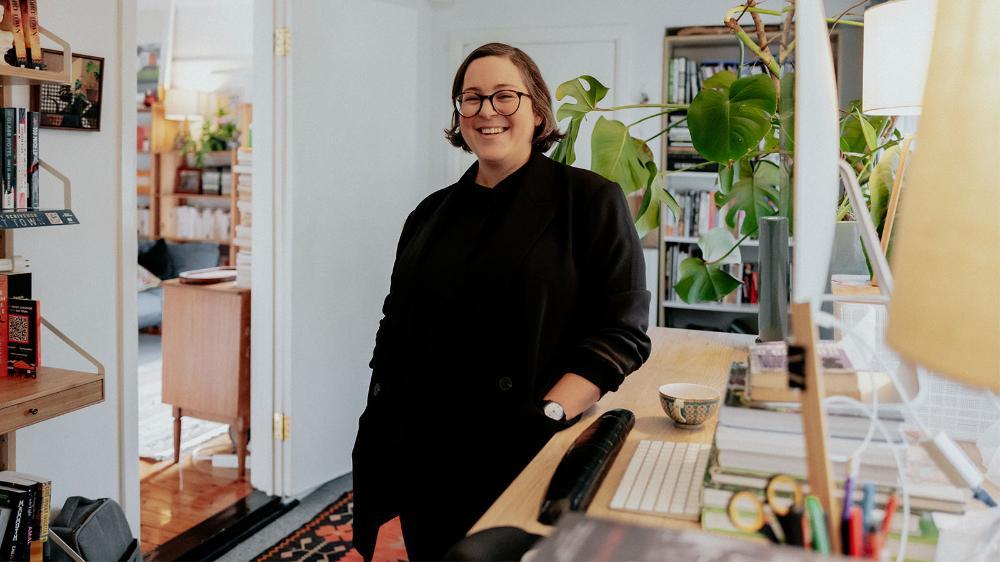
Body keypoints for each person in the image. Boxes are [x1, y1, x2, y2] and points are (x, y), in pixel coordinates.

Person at [351, 42, 651, 561]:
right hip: (429, 454)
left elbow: (622, 331)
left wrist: (551, 412)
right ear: (459, 116)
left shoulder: (590, 201)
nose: (487, 112)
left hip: (529, 450)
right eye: (472, 99)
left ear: (537, 110)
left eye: (504, 97)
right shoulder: (429, 214)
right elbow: (396, 326)